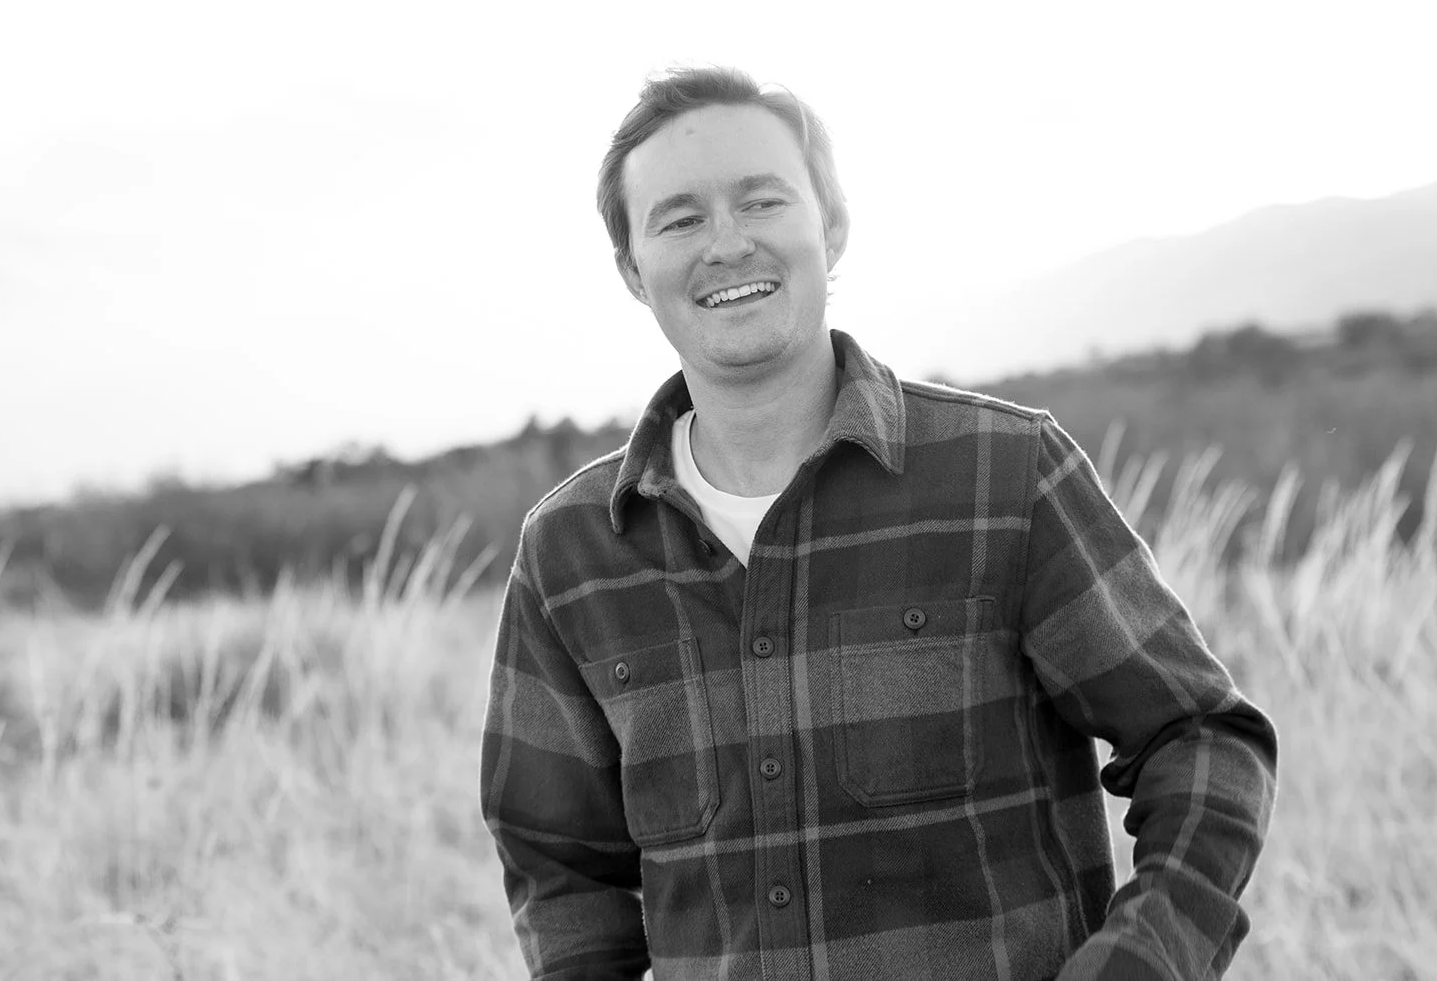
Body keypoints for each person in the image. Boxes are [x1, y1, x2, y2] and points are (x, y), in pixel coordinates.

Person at [480, 65, 1277, 981]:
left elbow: (1201, 739)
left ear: (834, 227)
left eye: (762, 201)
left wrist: (1136, 965)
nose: (728, 243)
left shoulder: (1004, 477)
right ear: (632, 268)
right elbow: (560, 871)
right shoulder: (572, 553)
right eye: (680, 218)